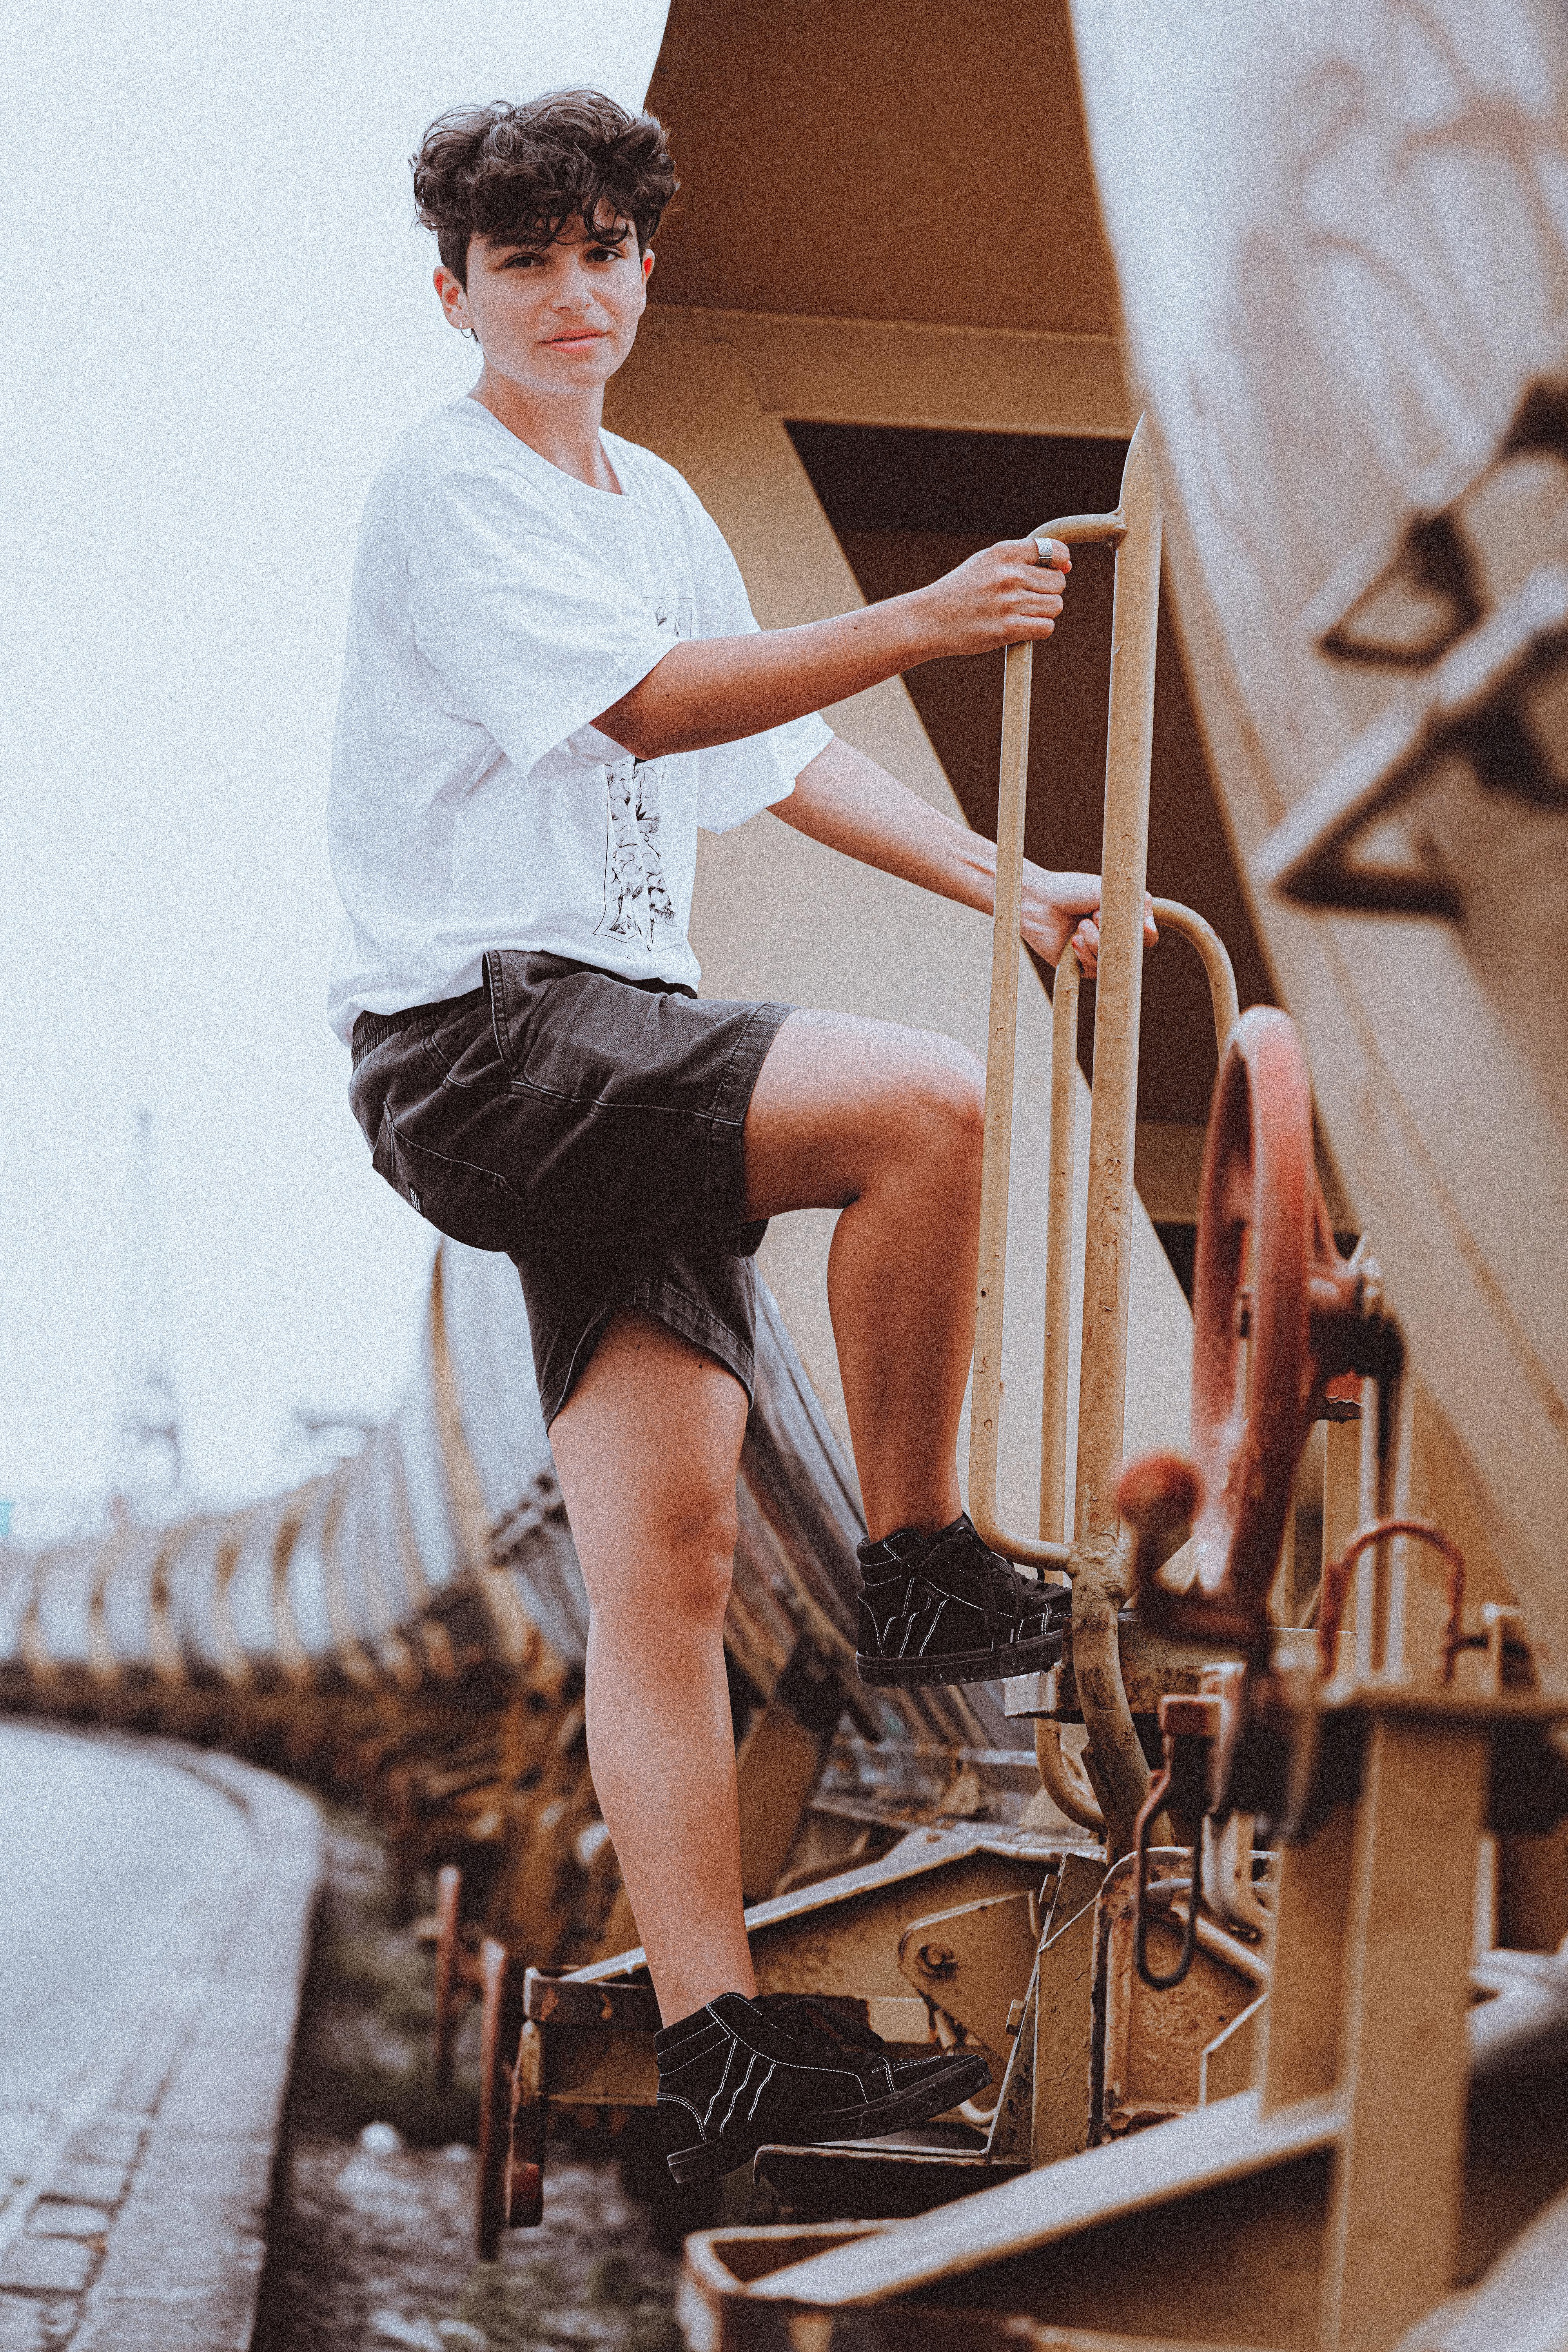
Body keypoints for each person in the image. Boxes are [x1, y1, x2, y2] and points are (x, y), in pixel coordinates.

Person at [329, 89, 1152, 2184]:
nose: (576, 293)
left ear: (644, 264)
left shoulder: (656, 495)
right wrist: (926, 620)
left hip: (612, 1040)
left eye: (605, 251)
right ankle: (920, 1566)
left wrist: (1008, 880)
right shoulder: (448, 490)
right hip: (491, 1037)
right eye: (528, 262)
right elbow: (646, 711)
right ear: (457, 293)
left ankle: (720, 2044)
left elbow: (772, 756)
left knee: (667, 1570)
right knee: (929, 1108)